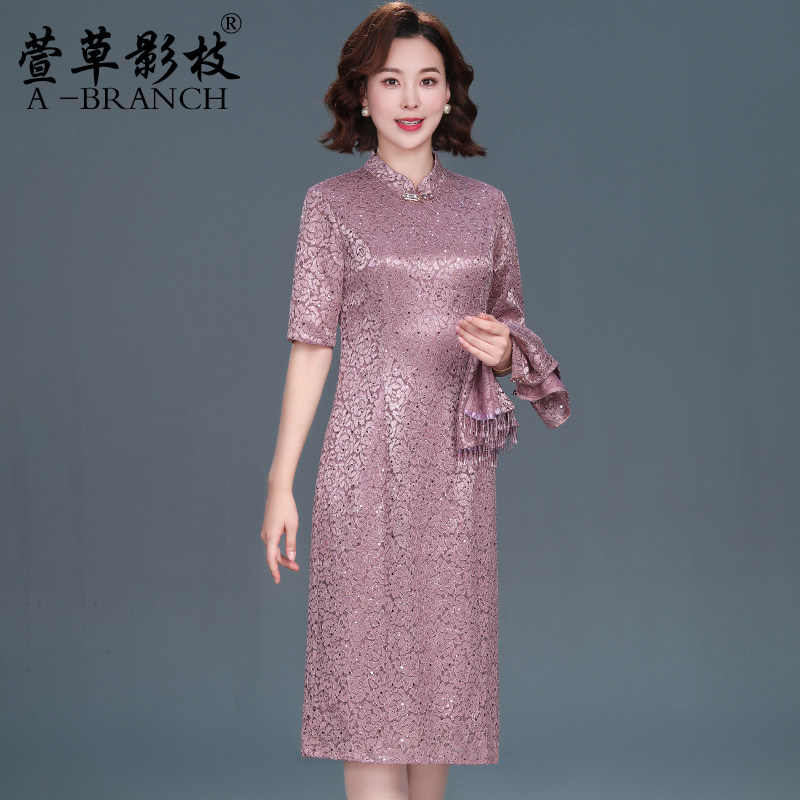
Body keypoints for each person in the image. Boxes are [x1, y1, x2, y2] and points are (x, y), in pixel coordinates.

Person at [260, 3, 570, 799]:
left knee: (440, 683)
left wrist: (504, 350)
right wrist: (280, 482)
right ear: (361, 96)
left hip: (456, 474)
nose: (409, 98)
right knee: (366, 680)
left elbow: (510, 323)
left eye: (426, 80)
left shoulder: (487, 206)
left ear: (448, 94)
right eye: (390, 80)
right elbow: (311, 345)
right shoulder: (330, 204)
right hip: (362, 465)